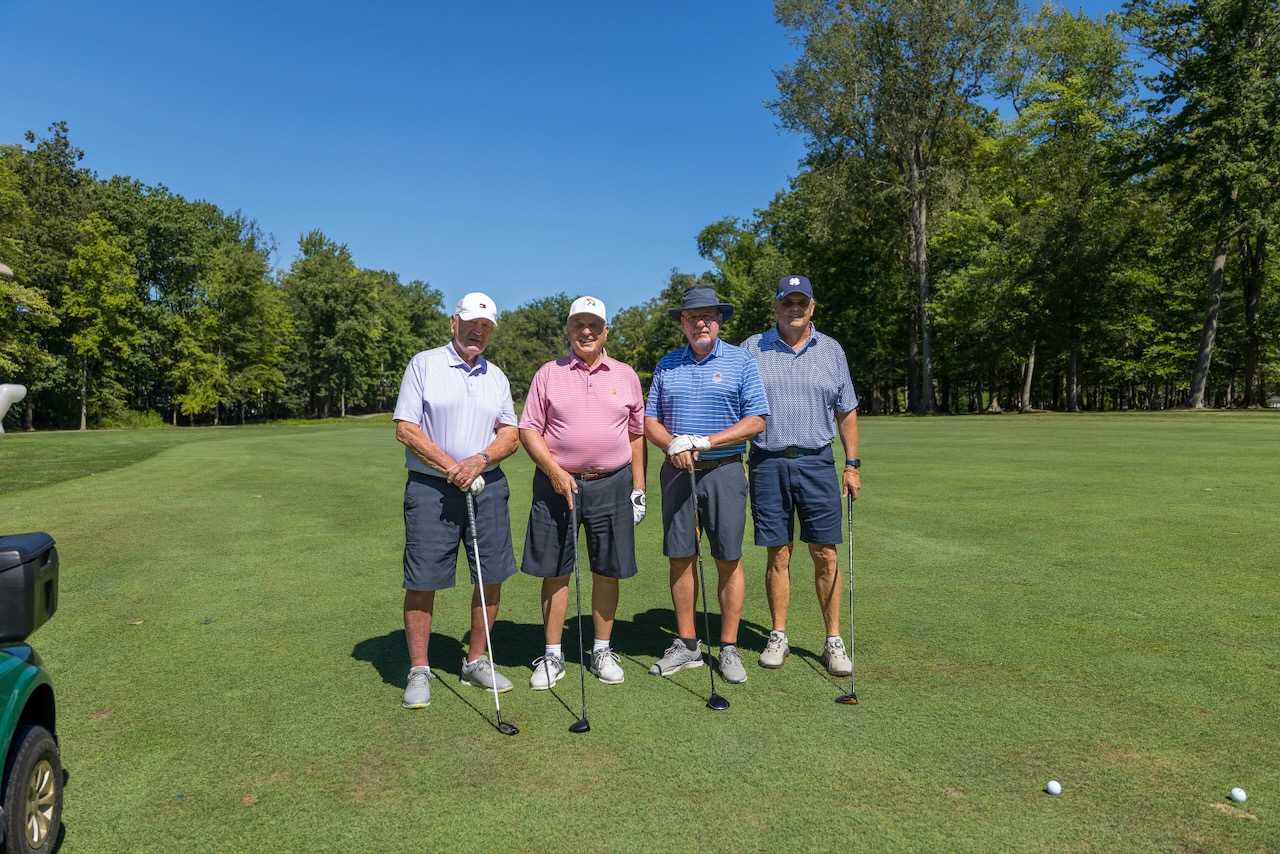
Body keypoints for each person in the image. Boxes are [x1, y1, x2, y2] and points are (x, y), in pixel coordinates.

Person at [393, 292, 521, 709]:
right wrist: (454, 467)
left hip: (487, 485)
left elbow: (510, 434)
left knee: (491, 574)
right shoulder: (424, 364)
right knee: (423, 577)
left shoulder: (496, 377)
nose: (477, 332)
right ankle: (419, 668)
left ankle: (475, 660)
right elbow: (406, 428)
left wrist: (479, 460)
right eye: (470, 324)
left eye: (485, 327)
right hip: (432, 487)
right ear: (454, 323)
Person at [518, 296, 647, 689]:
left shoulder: (625, 375)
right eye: (578, 324)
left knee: (608, 569)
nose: (586, 331)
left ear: (606, 331)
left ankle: (601, 650)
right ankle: (553, 654)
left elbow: (636, 435)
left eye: (593, 325)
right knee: (555, 570)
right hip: (557, 484)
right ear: (569, 330)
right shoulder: (548, 373)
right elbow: (529, 429)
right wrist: (554, 471)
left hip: (613, 483)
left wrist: (639, 487)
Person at [644, 285, 769, 685]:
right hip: (677, 472)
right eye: (692, 316)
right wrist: (672, 443)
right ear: (682, 322)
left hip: (725, 470)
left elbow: (757, 420)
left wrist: (707, 441)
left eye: (708, 316)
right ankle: (687, 644)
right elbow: (650, 421)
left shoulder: (741, 361)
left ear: (719, 321)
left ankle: (728, 646)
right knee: (681, 556)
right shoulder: (667, 364)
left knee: (727, 557)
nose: (700, 323)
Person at [740, 275, 860, 675]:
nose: (794, 309)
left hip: (817, 462)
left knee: (825, 553)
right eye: (787, 302)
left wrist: (852, 465)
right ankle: (778, 635)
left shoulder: (831, 349)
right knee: (778, 553)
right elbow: (736, 407)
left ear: (812, 307)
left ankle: (833, 640)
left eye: (801, 302)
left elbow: (846, 410)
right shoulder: (752, 348)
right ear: (776, 305)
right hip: (767, 462)